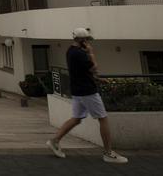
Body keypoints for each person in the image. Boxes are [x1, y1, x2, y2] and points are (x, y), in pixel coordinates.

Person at [46, 27, 128, 164]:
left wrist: (97, 79)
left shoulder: (70, 51)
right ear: (82, 40)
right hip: (87, 91)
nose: (89, 43)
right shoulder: (81, 54)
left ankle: (54, 141)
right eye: (87, 40)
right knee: (103, 118)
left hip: (77, 90)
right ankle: (108, 153)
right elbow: (93, 67)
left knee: (77, 118)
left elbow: (82, 71)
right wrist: (91, 53)